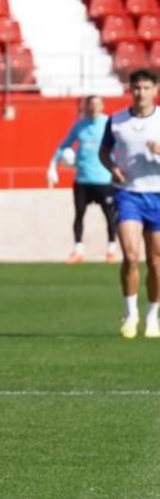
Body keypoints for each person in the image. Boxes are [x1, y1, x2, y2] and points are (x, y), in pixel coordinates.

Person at [98, 69, 160, 339]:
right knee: (132, 256)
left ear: (155, 90)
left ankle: (152, 316)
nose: (141, 93)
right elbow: (103, 151)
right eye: (136, 88)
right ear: (130, 89)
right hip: (128, 194)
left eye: (146, 88)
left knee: (157, 263)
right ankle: (130, 312)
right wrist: (112, 167)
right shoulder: (116, 121)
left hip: (157, 195)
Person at [47, 95, 116, 263]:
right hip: (82, 180)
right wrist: (52, 165)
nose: (93, 108)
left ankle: (111, 250)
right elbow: (64, 146)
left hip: (104, 179)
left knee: (109, 216)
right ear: (86, 107)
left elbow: (121, 145)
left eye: (97, 104)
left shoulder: (109, 124)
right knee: (79, 215)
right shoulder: (79, 126)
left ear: (102, 106)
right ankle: (78, 250)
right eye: (90, 105)